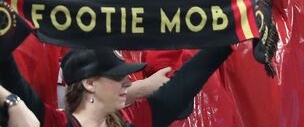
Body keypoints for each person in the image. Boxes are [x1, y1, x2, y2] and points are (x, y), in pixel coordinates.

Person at [0, 45, 233, 127]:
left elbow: (186, 82)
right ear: (89, 83)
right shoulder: (53, 123)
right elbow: (9, 74)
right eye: (117, 76)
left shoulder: (132, 119)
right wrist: (13, 103)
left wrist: (231, 35)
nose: (127, 82)